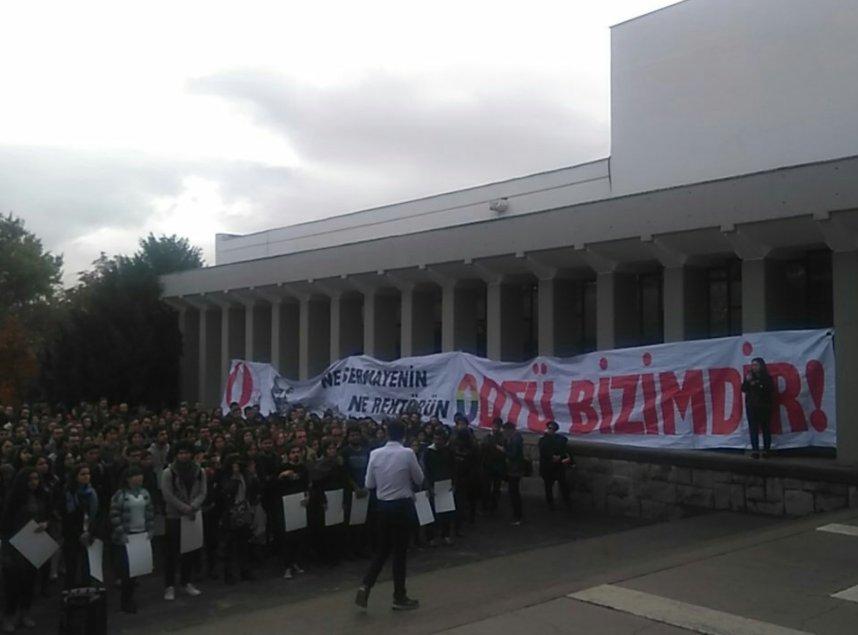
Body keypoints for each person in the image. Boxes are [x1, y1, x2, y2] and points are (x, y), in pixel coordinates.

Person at [355, 419, 423, 612]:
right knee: (400, 553)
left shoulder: (375, 454)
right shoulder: (408, 453)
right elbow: (419, 478)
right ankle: (399, 596)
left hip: (383, 507)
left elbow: (369, 484)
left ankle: (366, 584)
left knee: (382, 551)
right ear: (403, 435)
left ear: (386, 433)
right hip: (402, 505)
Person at [1, 468, 49, 632]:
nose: (34, 482)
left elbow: (45, 515)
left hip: (33, 541)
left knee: (29, 581)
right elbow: (5, 525)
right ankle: (9, 616)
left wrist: (44, 524)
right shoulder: (13, 499)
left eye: (36, 479)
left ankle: (24, 613)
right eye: (31, 479)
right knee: (13, 583)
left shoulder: (40, 496)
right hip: (14, 543)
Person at [160, 440, 206, 601]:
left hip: (193, 515)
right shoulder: (168, 473)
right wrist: (184, 508)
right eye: (181, 453)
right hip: (174, 517)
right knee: (171, 553)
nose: (184, 456)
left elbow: (202, 491)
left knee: (190, 551)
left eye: (186, 453)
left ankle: (186, 582)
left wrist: (193, 506)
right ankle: (169, 586)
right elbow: (167, 495)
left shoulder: (199, 470)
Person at [109, 465, 155, 613]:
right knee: (126, 572)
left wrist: (150, 529)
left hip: (141, 535)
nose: (139, 478)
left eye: (140, 475)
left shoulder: (145, 493)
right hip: (126, 537)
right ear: (128, 478)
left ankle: (131, 597)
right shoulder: (120, 495)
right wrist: (121, 533)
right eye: (136, 475)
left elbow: (149, 512)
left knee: (136, 571)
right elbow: (114, 515)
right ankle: (125, 601)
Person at [58, 463, 99, 589]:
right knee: (72, 564)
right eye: (83, 474)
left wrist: (90, 531)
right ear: (75, 476)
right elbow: (65, 515)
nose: (86, 477)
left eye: (88, 474)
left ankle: (86, 589)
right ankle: (70, 591)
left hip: (88, 532)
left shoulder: (91, 493)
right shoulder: (68, 493)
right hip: (72, 533)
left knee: (87, 564)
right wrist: (77, 533)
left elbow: (94, 514)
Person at [742, 357, 775, 459]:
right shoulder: (749, 377)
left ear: (761, 366)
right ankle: (755, 450)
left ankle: (766, 450)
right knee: (753, 429)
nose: (753, 367)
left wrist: (757, 384)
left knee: (765, 428)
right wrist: (747, 381)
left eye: (756, 365)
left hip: (764, 406)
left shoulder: (767, 378)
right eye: (752, 365)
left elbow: (769, 390)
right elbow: (743, 389)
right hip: (752, 406)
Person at [538, 420, 573, 511]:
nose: (550, 430)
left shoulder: (561, 439)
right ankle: (550, 504)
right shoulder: (543, 439)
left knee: (563, 484)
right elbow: (542, 451)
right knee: (548, 486)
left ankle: (567, 502)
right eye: (549, 428)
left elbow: (564, 450)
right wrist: (552, 456)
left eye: (551, 428)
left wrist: (559, 457)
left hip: (558, 466)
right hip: (548, 466)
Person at [502, 422, 525, 525]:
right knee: (513, 492)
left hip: (514, 470)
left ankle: (517, 516)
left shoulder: (515, 440)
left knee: (514, 493)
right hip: (514, 469)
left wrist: (504, 450)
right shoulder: (515, 438)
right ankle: (517, 515)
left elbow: (512, 455)